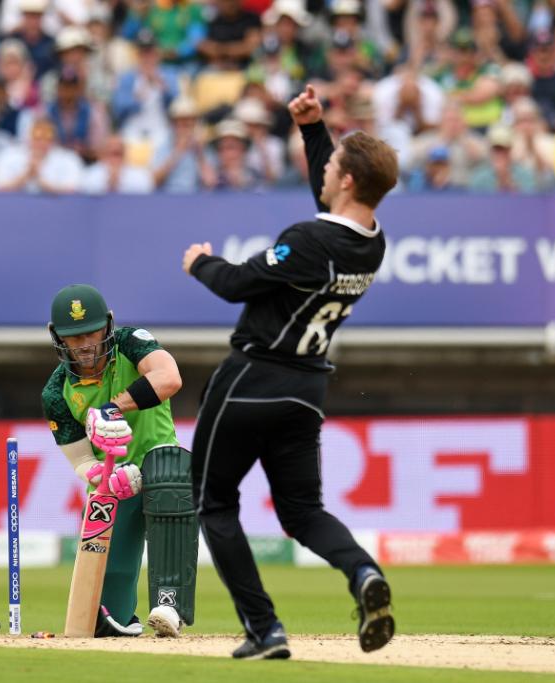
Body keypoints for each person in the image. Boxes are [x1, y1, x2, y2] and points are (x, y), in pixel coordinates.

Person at [181, 84, 396, 660]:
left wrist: (200, 262)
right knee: (303, 512)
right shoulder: (373, 245)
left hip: (252, 377)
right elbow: (334, 200)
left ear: (346, 180)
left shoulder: (305, 240)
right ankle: (364, 571)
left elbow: (235, 284)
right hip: (307, 389)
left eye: (333, 165)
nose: (324, 170)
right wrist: (313, 129)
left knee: (213, 503)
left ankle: (265, 629)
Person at [41, 284, 196, 639]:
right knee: (109, 618)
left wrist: (113, 407)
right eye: (73, 337)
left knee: (170, 472)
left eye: (91, 333)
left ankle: (169, 605)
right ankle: (118, 616)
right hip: (116, 481)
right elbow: (81, 458)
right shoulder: (56, 392)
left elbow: (169, 378)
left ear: (108, 325)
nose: (84, 344)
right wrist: (101, 475)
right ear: (58, 337)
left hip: (159, 465)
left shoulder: (131, 343)